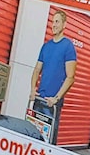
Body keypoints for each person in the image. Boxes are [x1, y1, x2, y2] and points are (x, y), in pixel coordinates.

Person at [29, 9, 76, 144]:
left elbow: (70, 77)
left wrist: (56, 98)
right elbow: (37, 69)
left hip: (52, 104)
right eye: (52, 21)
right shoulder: (46, 46)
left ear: (64, 25)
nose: (54, 24)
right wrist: (33, 90)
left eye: (57, 21)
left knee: (48, 142)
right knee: (33, 138)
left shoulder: (68, 47)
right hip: (39, 100)